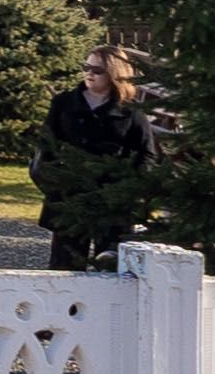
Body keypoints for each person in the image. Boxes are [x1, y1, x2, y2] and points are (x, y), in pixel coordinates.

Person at [36, 50, 149, 271]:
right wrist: (53, 183)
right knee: (64, 267)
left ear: (114, 74)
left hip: (111, 201)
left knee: (109, 268)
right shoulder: (64, 103)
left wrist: (128, 190)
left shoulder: (131, 111)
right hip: (69, 198)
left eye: (97, 70)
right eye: (85, 67)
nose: (89, 74)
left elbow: (147, 154)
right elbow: (46, 145)